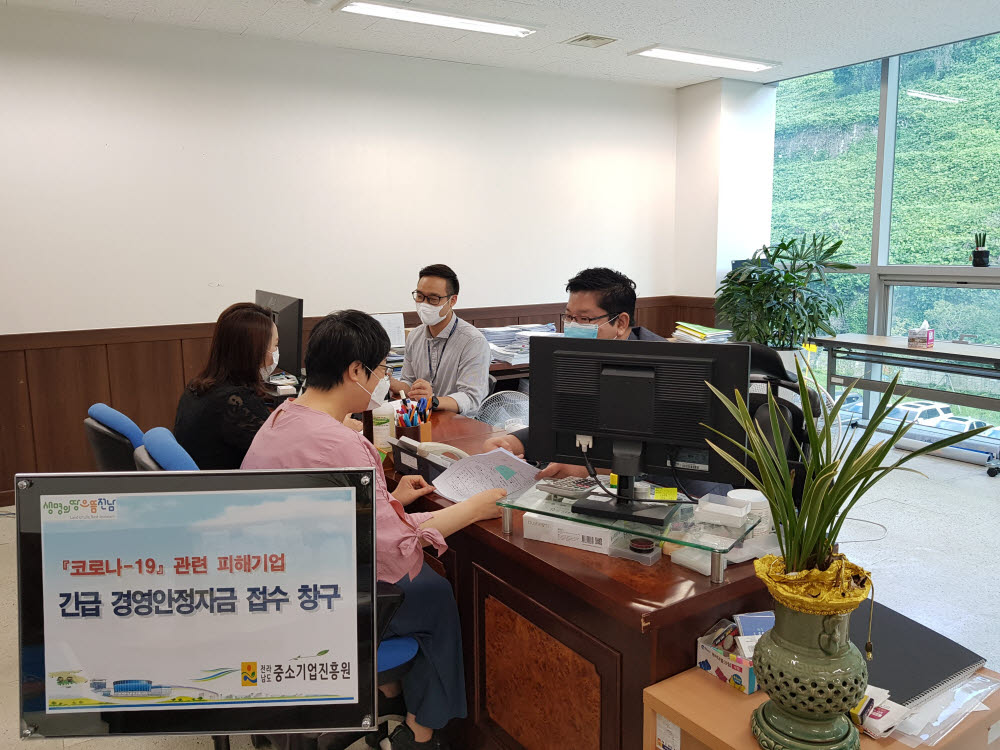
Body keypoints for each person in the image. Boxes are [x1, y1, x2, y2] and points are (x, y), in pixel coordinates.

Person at [242, 310, 505, 750]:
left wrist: (388, 500)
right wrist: (475, 508)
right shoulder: (343, 443)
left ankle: (392, 696)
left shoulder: (281, 417)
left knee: (424, 589)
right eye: (382, 369)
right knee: (434, 592)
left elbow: (330, 511)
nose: (385, 379)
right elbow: (394, 547)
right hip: (323, 600)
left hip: (276, 581)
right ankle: (421, 732)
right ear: (355, 371)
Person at [482, 268, 728, 496]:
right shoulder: (574, 358)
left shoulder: (671, 366)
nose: (573, 326)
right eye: (569, 317)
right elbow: (561, 423)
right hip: (612, 484)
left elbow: (669, 449)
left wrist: (591, 468)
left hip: (684, 491)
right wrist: (515, 441)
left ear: (620, 323)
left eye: (584, 319)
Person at [173, 302, 279, 469]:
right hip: (225, 484)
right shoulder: (234, 402)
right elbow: (280, 452)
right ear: (254, 351)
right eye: (275, 345)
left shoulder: (198, 387)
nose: (276, 352)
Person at [389, 264, 491, 416]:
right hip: (422, 418)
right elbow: (410, 384)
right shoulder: (414, 336)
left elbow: (471, 398)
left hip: (458, 422)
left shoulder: (473, 342)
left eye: (433, 299)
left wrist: (433, 401)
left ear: (452, 300)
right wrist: (390, 382)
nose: (424, 304)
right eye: (420, 296)